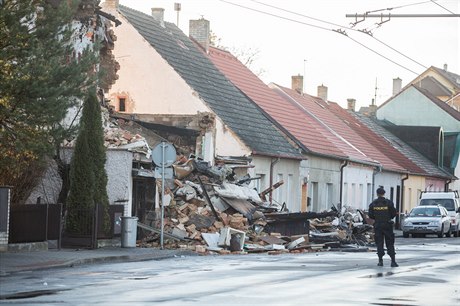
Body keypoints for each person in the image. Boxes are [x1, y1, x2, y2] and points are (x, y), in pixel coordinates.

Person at [368, 187, 398, 267]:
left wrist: (377, 219)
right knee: (390, 243)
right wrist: (388, 218)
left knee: (379, 243)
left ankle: (380, 261)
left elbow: (370, 215)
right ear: (384, 193)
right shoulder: (389, 203)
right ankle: (393, 261)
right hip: (387, 225)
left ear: (377, 194)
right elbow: (394, 213)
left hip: (378, 225)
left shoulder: (373, 204)